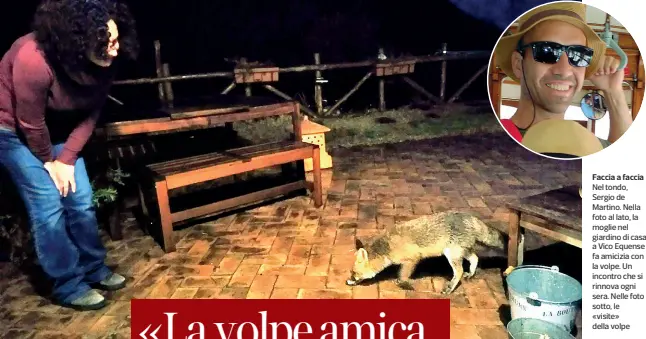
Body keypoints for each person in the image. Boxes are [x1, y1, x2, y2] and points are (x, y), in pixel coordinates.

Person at [0, 0, 139, 310]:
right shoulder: (33, 59)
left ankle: (95, 269)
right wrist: (49, 162)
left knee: (80, 200)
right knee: (48, 204)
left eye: (115, 39)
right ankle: (68, 285)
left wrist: (65, 160)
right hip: (12, 130)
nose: (114, 49)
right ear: (76, 41)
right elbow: (30, 122)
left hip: (58, 128)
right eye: (106, 42)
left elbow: (91, 115)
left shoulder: (104, 60)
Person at [493, 2, 632, 147]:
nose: (564, 70)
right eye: (547, 51)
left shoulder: (589, 146)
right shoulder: (491, 145)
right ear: (518, 64)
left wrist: (613, 91)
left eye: (578, 54)